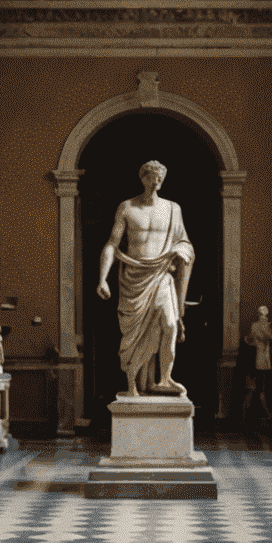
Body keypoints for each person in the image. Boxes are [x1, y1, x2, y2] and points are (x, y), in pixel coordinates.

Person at [96, 159, 195, 396]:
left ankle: (165, 378)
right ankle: (132, 382)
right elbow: (112, 244)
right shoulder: (127, 207)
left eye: (160, 178)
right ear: (142, 178)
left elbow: (185, 242)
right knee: (136, 335)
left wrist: (180, 251)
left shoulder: (173, 209)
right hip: (134, 277)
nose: (156, 182)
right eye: (152, 177)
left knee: (170, 326)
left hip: (161, 274)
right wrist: (102, 278)